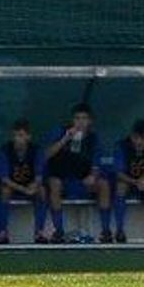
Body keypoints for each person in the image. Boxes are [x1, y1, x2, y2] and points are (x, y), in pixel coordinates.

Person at [45, 103, 112, 243]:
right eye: (77, 118)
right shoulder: (60, 132)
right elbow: (46, 155)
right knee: (54, 183)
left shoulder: (94, 138)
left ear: (90, 121)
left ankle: (106, 231)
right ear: (72, 120)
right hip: (62, 179)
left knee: (104, 184)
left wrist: (93, 176)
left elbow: (96, 163)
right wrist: (65, 139)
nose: (80, 122)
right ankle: (59, 231)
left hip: (83, 180)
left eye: (84, 118)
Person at [0, 118, 48, 244]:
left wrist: (32, 188)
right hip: (13, 186)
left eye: (21, 136)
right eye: (15, 136)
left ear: (28, 137)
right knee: (4, 191)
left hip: (30, 185)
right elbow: (4, 179)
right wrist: (23, 189)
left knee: (42, 191)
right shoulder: (5, 150)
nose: (17, 139)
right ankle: (2, 232)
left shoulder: (36, 150)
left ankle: (39, 232)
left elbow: (39, 176)